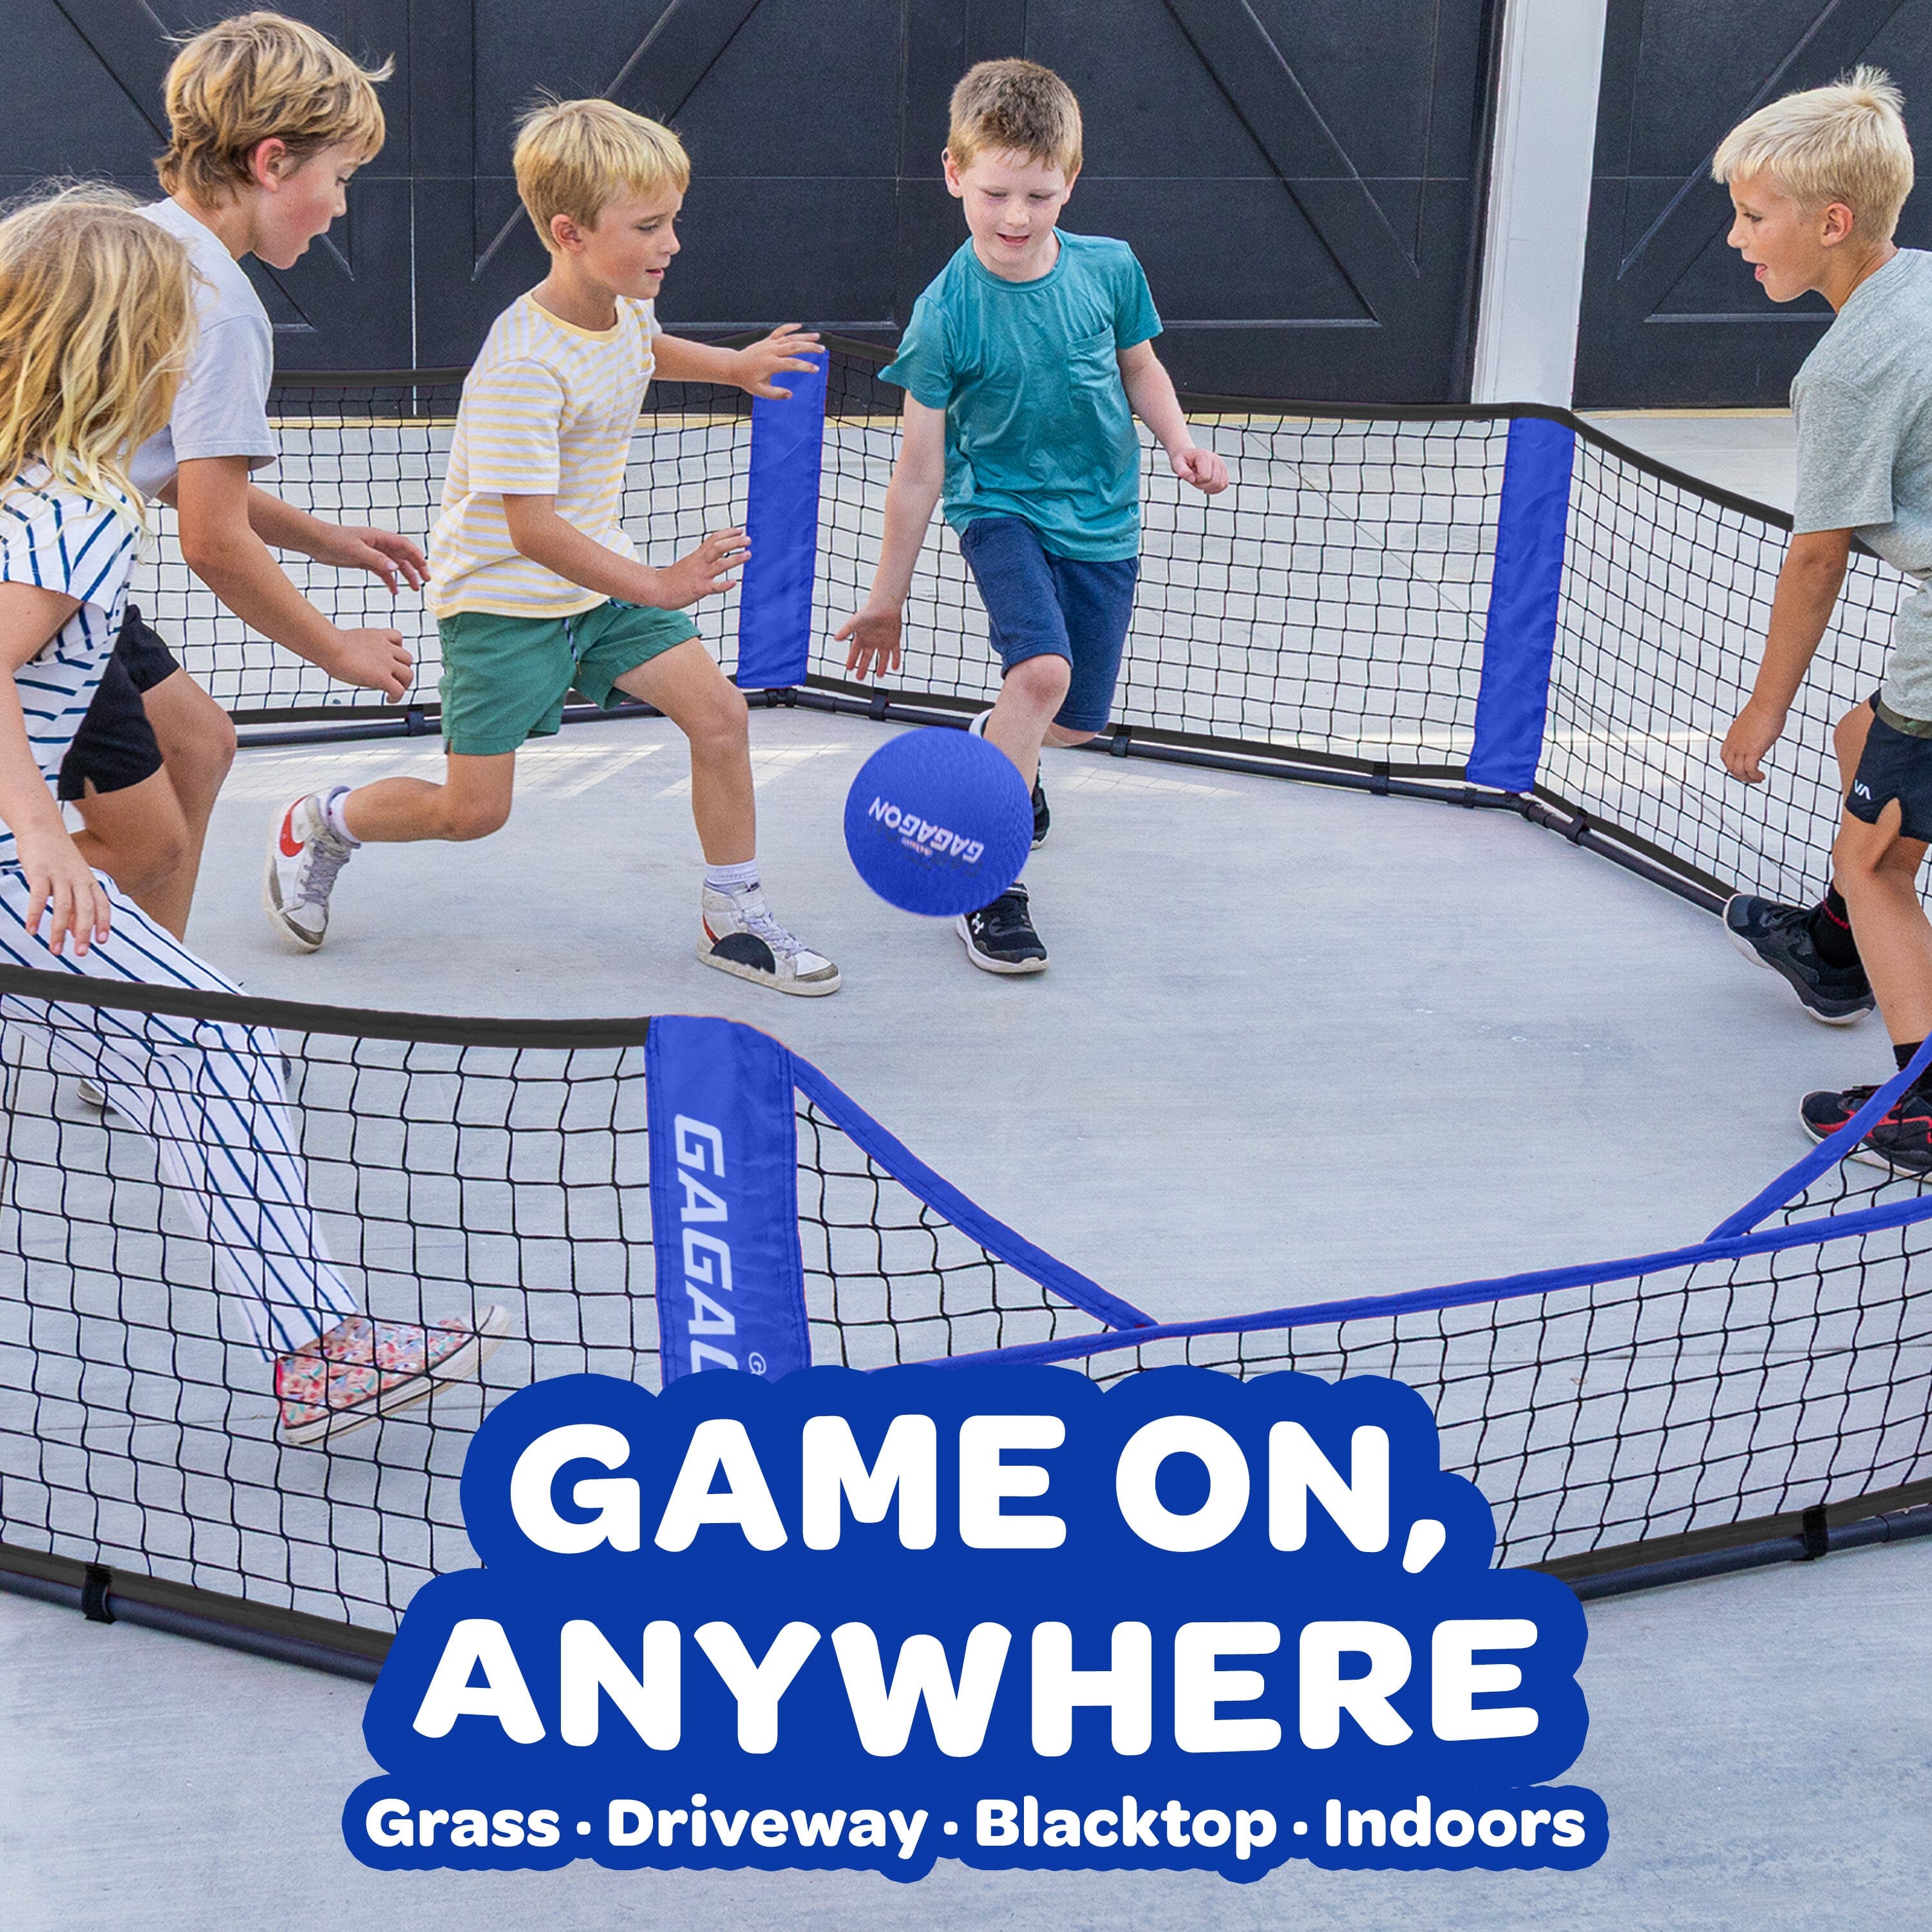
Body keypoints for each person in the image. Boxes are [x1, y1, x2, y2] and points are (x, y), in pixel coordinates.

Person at [0, 186, 504, 1445]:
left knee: (182, 1038)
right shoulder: (67, 514)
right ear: (126, 350)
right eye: (169, 335)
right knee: (211, 1046)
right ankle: (321, 1352)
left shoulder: (41, 480)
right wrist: (51, 838)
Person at [265, 98, 840, 997]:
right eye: (648, 226)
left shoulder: (620, 307)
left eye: (673, 221)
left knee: (720, 717)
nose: (673, 243)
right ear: (570, 233)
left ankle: (733, 916)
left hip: (596, 587)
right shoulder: (523, 364)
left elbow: (647, 350)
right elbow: (530, 527)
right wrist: (656, 582)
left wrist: (732, 367)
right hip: (504, 603)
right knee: (472, 814)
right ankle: (326, 823)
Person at [835, 58, 1227, 974]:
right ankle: (991, 886)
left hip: (1104, 516)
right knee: (1043, 670)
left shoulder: (1110, 269)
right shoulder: (945, 317)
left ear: (1072, 182)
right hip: (1000, 507)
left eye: (1039, 196)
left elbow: (1140, 367)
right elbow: (919, 470)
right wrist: (887, 595)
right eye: (995, 193)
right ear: (953, 174)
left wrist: (1177, 439)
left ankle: (995, 744)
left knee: (1072, 719)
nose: (1016, 217)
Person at [60, 10, 428, 944]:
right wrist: (336, 649)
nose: (343, 207)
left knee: (200, 743)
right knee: (143, 847)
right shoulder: (222, 309)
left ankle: (152, 1020)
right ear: (271, 163)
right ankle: (127, 1014)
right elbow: (214, 539)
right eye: (339, 178)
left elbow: (176, 471)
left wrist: (325, 539)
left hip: (66, 579)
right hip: (41, 592)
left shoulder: (144, 239)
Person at [1714, 68, 1932, 1175]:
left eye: (1755, 217)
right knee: (1869, 744)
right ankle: (1839, 958)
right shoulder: (1927, 286)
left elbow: (1816, 560)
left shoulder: (1846, 367)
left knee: (1877, 856)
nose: (1737, 237)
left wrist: (1761, 710)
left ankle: (1926, 1099)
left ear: (1832, 223)